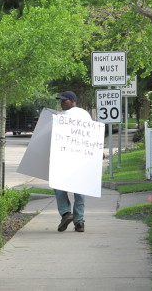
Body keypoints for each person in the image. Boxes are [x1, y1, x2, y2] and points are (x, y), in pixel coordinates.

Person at [54, 91, 91, 233]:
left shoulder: (62, 117)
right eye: (61, 101)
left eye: (64, 100)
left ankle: (65, 213)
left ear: (72, 101)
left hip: (65, 158)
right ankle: (79, 221)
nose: (62, 103)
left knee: (58, 186)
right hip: (82, 159)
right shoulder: (86, 114)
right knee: (80, 191)